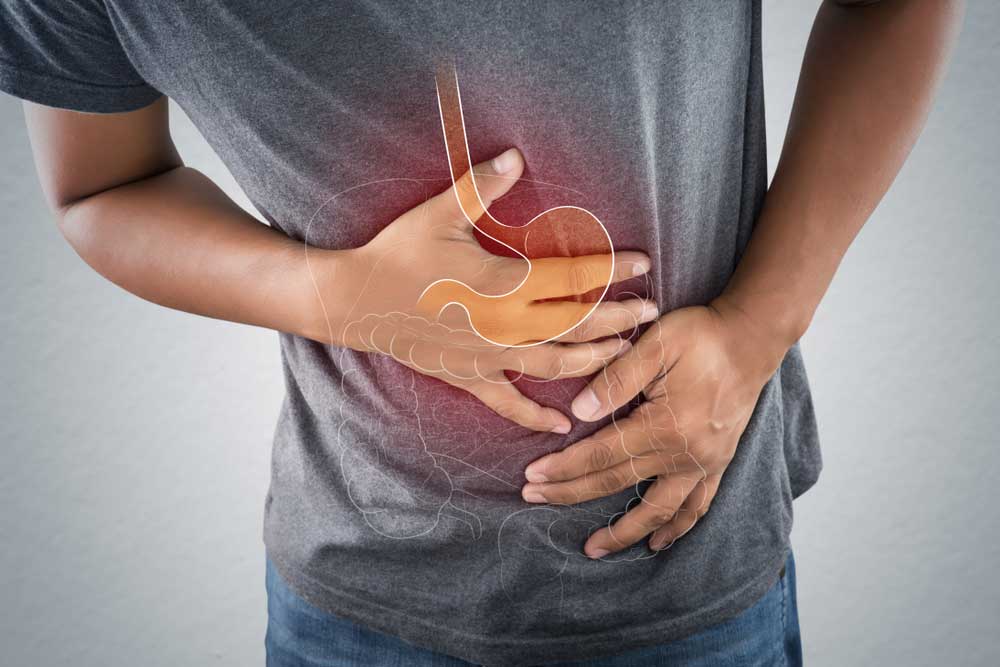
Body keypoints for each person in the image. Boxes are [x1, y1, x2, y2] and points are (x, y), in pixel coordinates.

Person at [0, 1, 961, 665]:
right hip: (356, 598)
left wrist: (758, 328)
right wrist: (338, 296)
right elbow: (100, 188)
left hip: (687, 589)